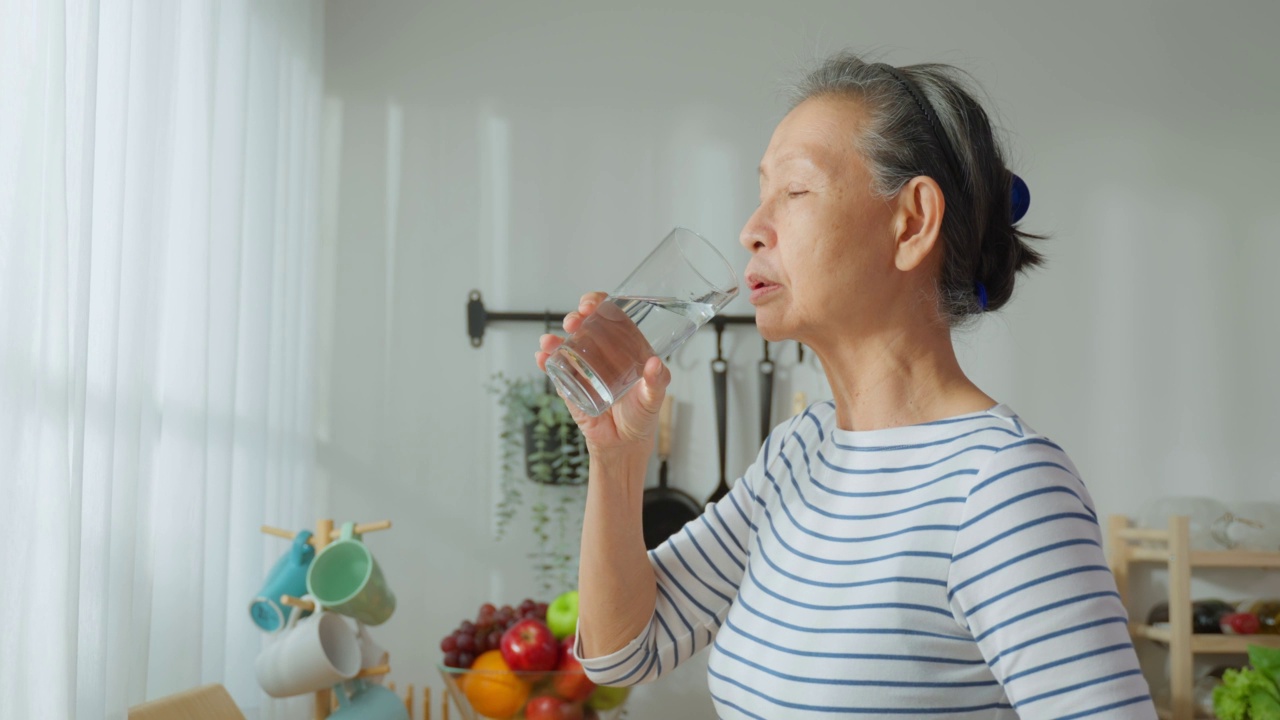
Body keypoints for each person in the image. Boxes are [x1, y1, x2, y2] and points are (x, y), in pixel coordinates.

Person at [535, 51, 1155, 719]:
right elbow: (622, 650)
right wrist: (618, 455)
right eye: (762, 190)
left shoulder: (1003, 489)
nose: (751, 229)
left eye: (796, 191)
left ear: (912, 221)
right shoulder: (797, 455)